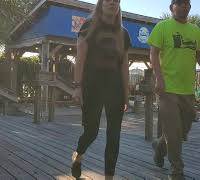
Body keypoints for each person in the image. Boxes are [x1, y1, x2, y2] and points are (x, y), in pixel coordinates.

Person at [147, 0, 200, 179]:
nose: (183, 6)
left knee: (182, 130)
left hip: (187, 91)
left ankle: (159, 146)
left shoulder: (194, 30)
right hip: (167, 89)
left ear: (190, 8)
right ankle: (177, 171)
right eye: (179, 3)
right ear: (172, 7)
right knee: (173, 130)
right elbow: (153, 54)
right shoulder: (162, 27)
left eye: (186, 3)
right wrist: (159, 78)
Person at [71, 0, 131, 179]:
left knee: (114, 136)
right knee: (91, 132)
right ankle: (78, 156)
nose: (112, 2)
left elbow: (124, 66)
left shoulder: (123, 33)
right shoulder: (88, 26)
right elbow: (80, 58)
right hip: (92, 87)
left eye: (116, 0)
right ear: (101, 3)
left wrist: (126, 94)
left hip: (115, 90)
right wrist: (77, 87)